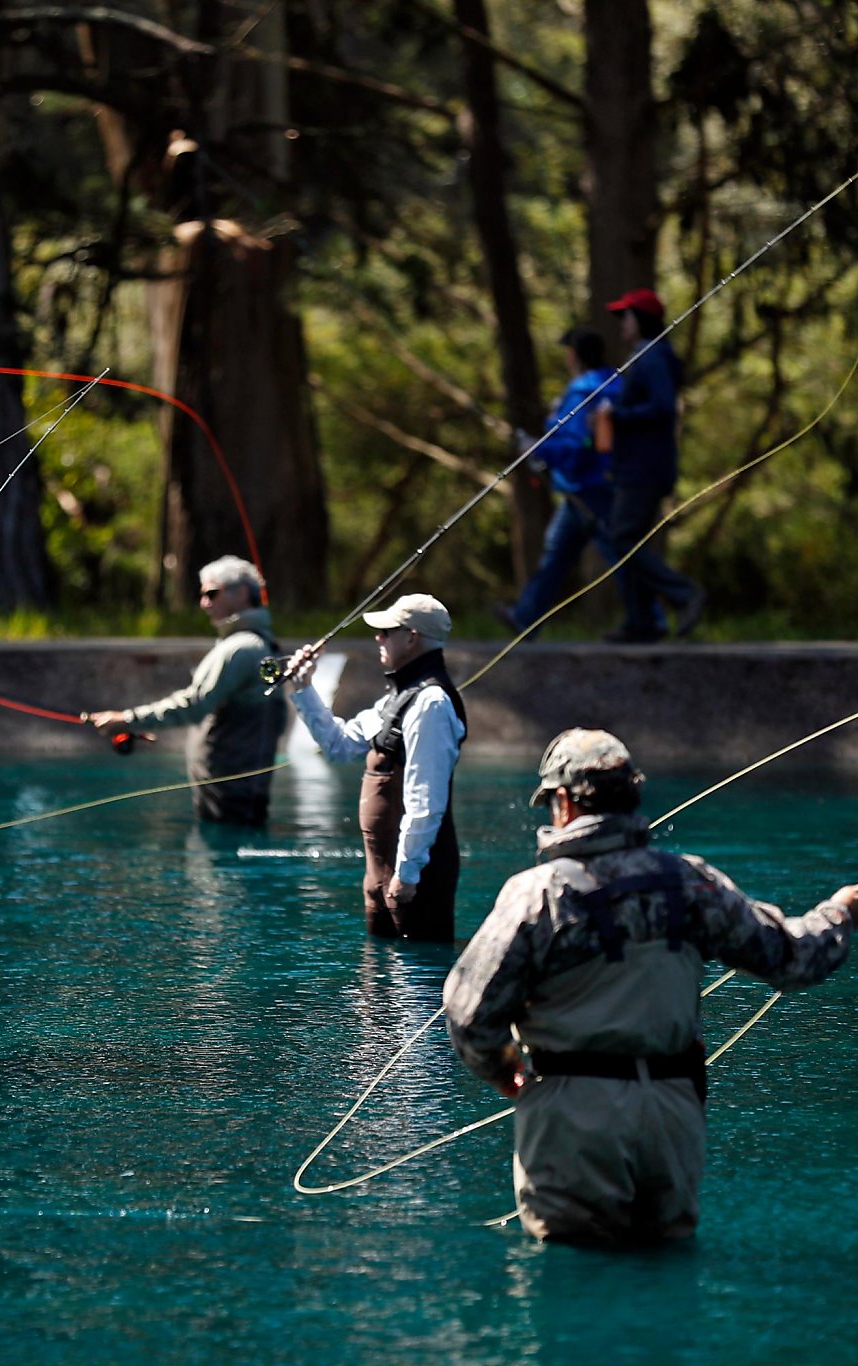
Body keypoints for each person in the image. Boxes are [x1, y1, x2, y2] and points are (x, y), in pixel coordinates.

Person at [443, 728, 858, 1245]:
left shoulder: (537, 894)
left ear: (563, 803)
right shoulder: (690, 883)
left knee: (571, 1292)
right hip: (672, 1116)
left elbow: (470, 1015)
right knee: (666, 1272)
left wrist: (505, 1073)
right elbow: (793, 958)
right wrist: (840, 913)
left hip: (573, 1117)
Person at [280, 593, 467, 942]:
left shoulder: (432, 704)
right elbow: (339, 746)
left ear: (412, 637)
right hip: (384, 878)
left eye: (388, 631)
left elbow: (425, 798)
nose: (378, 637)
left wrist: (407, 875)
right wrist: (303, 688)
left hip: (413, 878)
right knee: (376, 990)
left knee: (416, 988)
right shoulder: (398, 698)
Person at [83, 555, 287, 826]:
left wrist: (127, 720)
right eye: (202, 595)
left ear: (241, 593)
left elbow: (194, 705)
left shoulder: (241, 649)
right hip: (238, 793)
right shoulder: (259, 644)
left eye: (212, 593)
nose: (204, 603)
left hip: (230, 797)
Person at [498, 327, 624, 634]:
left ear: (576, 355)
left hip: (589, 487)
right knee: (557, 555)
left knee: (621, 554)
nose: (567, 356)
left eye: (569, 351)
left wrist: (535, 447)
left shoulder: (584, 390)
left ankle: (654, 616)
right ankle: (525, 618)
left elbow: (576, 444)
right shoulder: (614, 383)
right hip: (587, 487)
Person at [599, 289, 705, 643]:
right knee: (625, 540)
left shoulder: (653, 357)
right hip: (638, 466)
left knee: (624, 537)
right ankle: (642, 622)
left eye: (626, 318)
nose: (622, 326)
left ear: (641, 321)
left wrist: (618, 415)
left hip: (645, 468)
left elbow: (663, 407)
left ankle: (684, 595)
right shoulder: (645, 356)